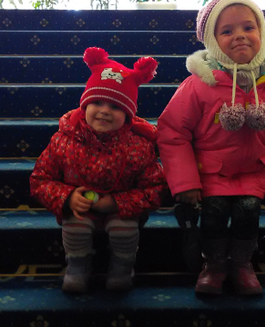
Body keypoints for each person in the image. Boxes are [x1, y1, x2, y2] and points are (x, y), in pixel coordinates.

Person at [157, 0, 265, 296]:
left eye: (248, 27)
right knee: (213, 213)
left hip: (255, 171)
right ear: (213, 42)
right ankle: (214, 264)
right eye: (227, 31)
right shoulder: (199, 84)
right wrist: (186, 182)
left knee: (248, 212)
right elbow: (172, 132)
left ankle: (241, 264)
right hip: (210, 172)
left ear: (262, 33)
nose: (240, 35)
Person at [30, 47, 167, 293]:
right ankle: (77, 265)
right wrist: (67, 197)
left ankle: (122, 267)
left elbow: (155, 189)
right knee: (76, 225)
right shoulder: (64, 140)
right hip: (80, 209)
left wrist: (117, 203)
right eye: (97, 102)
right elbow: (41, 179)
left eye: (115, 106)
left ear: (128, 115)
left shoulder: (139, 146)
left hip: (121, 209)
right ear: (84, 106)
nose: (104, 110)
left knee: (124, 229)